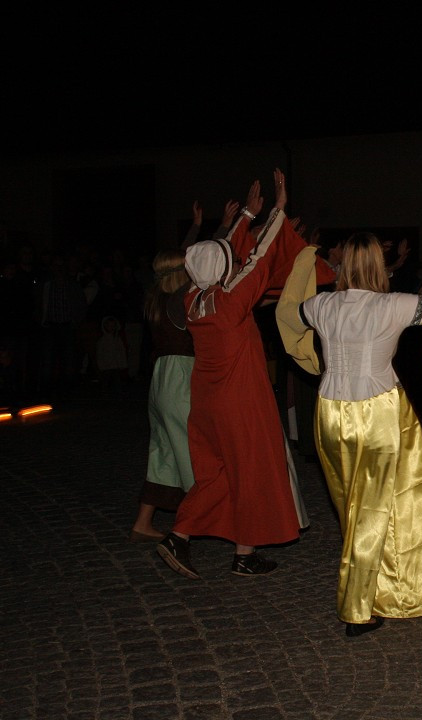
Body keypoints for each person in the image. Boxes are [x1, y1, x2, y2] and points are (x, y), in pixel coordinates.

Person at [276, 214, 422, 636]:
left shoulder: (321, 305)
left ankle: (382, 586)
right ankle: (357, 608)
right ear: (378, 264)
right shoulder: (392, 304)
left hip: (329, 411)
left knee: (356, 508)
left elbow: (286, 311)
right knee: (371, 511)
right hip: (375, 412)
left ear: (343, 265)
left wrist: (305, 257)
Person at [156, 169, 311, 580]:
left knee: (220, 476)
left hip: (205, 403)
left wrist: (245, 215)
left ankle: (209, 544)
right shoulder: (230, 302)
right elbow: (258, 259)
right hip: (239, 402)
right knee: (252, 471)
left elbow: (215, 256)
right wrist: (277, 209)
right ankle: (204, 543)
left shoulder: (193, 301)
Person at [130, 249, 196, 541]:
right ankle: (192, 525)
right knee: (191, 451)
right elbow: (202, 264)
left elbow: (178, 265)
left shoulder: (155, 296)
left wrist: (195, 227)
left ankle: (142, 523)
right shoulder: (179, 300)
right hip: (180, 376)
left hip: (160, 377)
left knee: (164, 453)